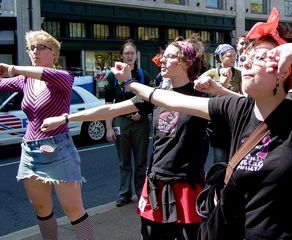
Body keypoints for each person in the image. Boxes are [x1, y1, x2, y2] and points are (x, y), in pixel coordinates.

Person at [107, 7, 292, 238]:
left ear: (283, 71)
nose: (246, 64)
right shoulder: (237, 108)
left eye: (260, 58)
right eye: (246, 58)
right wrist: (130, 83)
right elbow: (172, 100)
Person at [42, 36, 210, 240]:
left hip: (187, 185)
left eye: (170, 57)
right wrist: (65, 118)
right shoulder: (155, 94)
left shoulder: (202, 98)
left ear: (186, 62)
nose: (162, 61)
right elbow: (111, 109)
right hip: (156, 182)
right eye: (162, 57)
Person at [0, 30, 95, 239]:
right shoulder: (26, 80)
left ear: (54, 53)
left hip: (58, 148)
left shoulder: (63, 77)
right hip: (30, 150)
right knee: (41, 209)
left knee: (74, 210)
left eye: (40, 47)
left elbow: (48, 75)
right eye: (31, 47)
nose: (34, 52)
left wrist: (12, 69)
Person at [103, 39, 154, 207]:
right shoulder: (112, 77)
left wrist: (142, 113)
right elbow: (108, 104)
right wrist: (109, 128)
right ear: (122, 56)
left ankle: (141, 192)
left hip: (140, 124)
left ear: (136, 55)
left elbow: (151, 100)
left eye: (132, 53)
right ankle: (124, 193)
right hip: (121, 123)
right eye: (127, 53)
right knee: (123, 161)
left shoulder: (143, 75)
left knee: (141, 161)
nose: (130, 56)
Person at [200, 44, 242, 163]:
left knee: (234, 157)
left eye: (235, 56)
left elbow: (243, 96)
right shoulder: (211, 74)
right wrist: (221, 86)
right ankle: (218, 180)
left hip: (233, 120)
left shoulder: (239, 74)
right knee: (220, 159)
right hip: (216, 121)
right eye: (230, 56)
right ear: (220, 57)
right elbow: (199, 91)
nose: (234, 58)